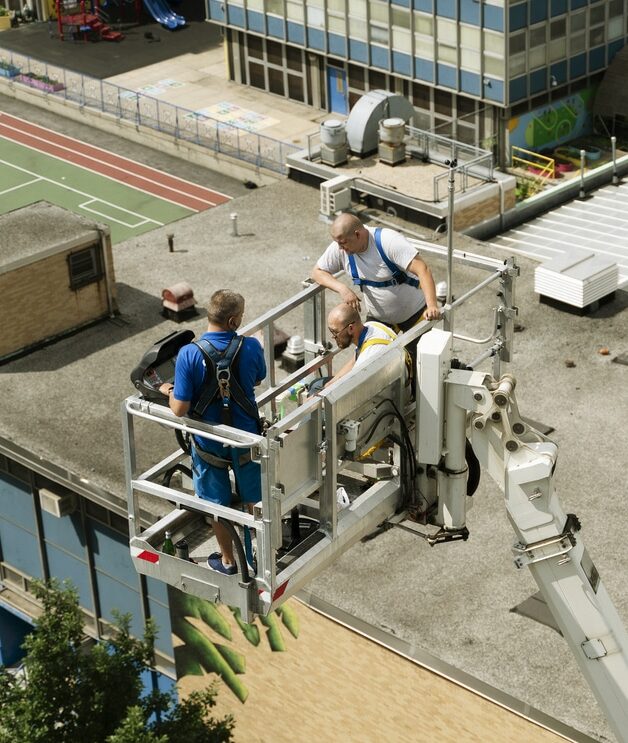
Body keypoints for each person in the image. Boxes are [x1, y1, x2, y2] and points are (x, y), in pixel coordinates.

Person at [159, 290, 266, 576]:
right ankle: (263, 555)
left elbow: (179, 408)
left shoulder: (189, 354)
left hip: (210, 444)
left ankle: (229, 560)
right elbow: (257, 378)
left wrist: (168, 391)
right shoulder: (252, 347)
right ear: (232, 321)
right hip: (246, 440)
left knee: (217, 504)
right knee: (254, 499)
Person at [311, 213, 440, 332]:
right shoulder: (342, 248)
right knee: (371, 356)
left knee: (419, 356)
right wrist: (342, 289)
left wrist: (432, 306)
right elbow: (317, 272)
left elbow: (423, 270)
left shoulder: (388, 241)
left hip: (415, 314)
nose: (340, 248)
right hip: (380, 319)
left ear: (357, 234)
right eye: (337, 243)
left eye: (343, 243)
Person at [309, 303, 408, 393]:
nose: (333, 337)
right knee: (317, 385)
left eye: (335, 332)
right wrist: (329, 385)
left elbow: (350, 394)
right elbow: (354, 360)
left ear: (351, 328)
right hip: (380, 385)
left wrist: (312, 404)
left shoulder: (368, 358)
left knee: (317, 402)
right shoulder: (371, 326)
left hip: (388, 398)